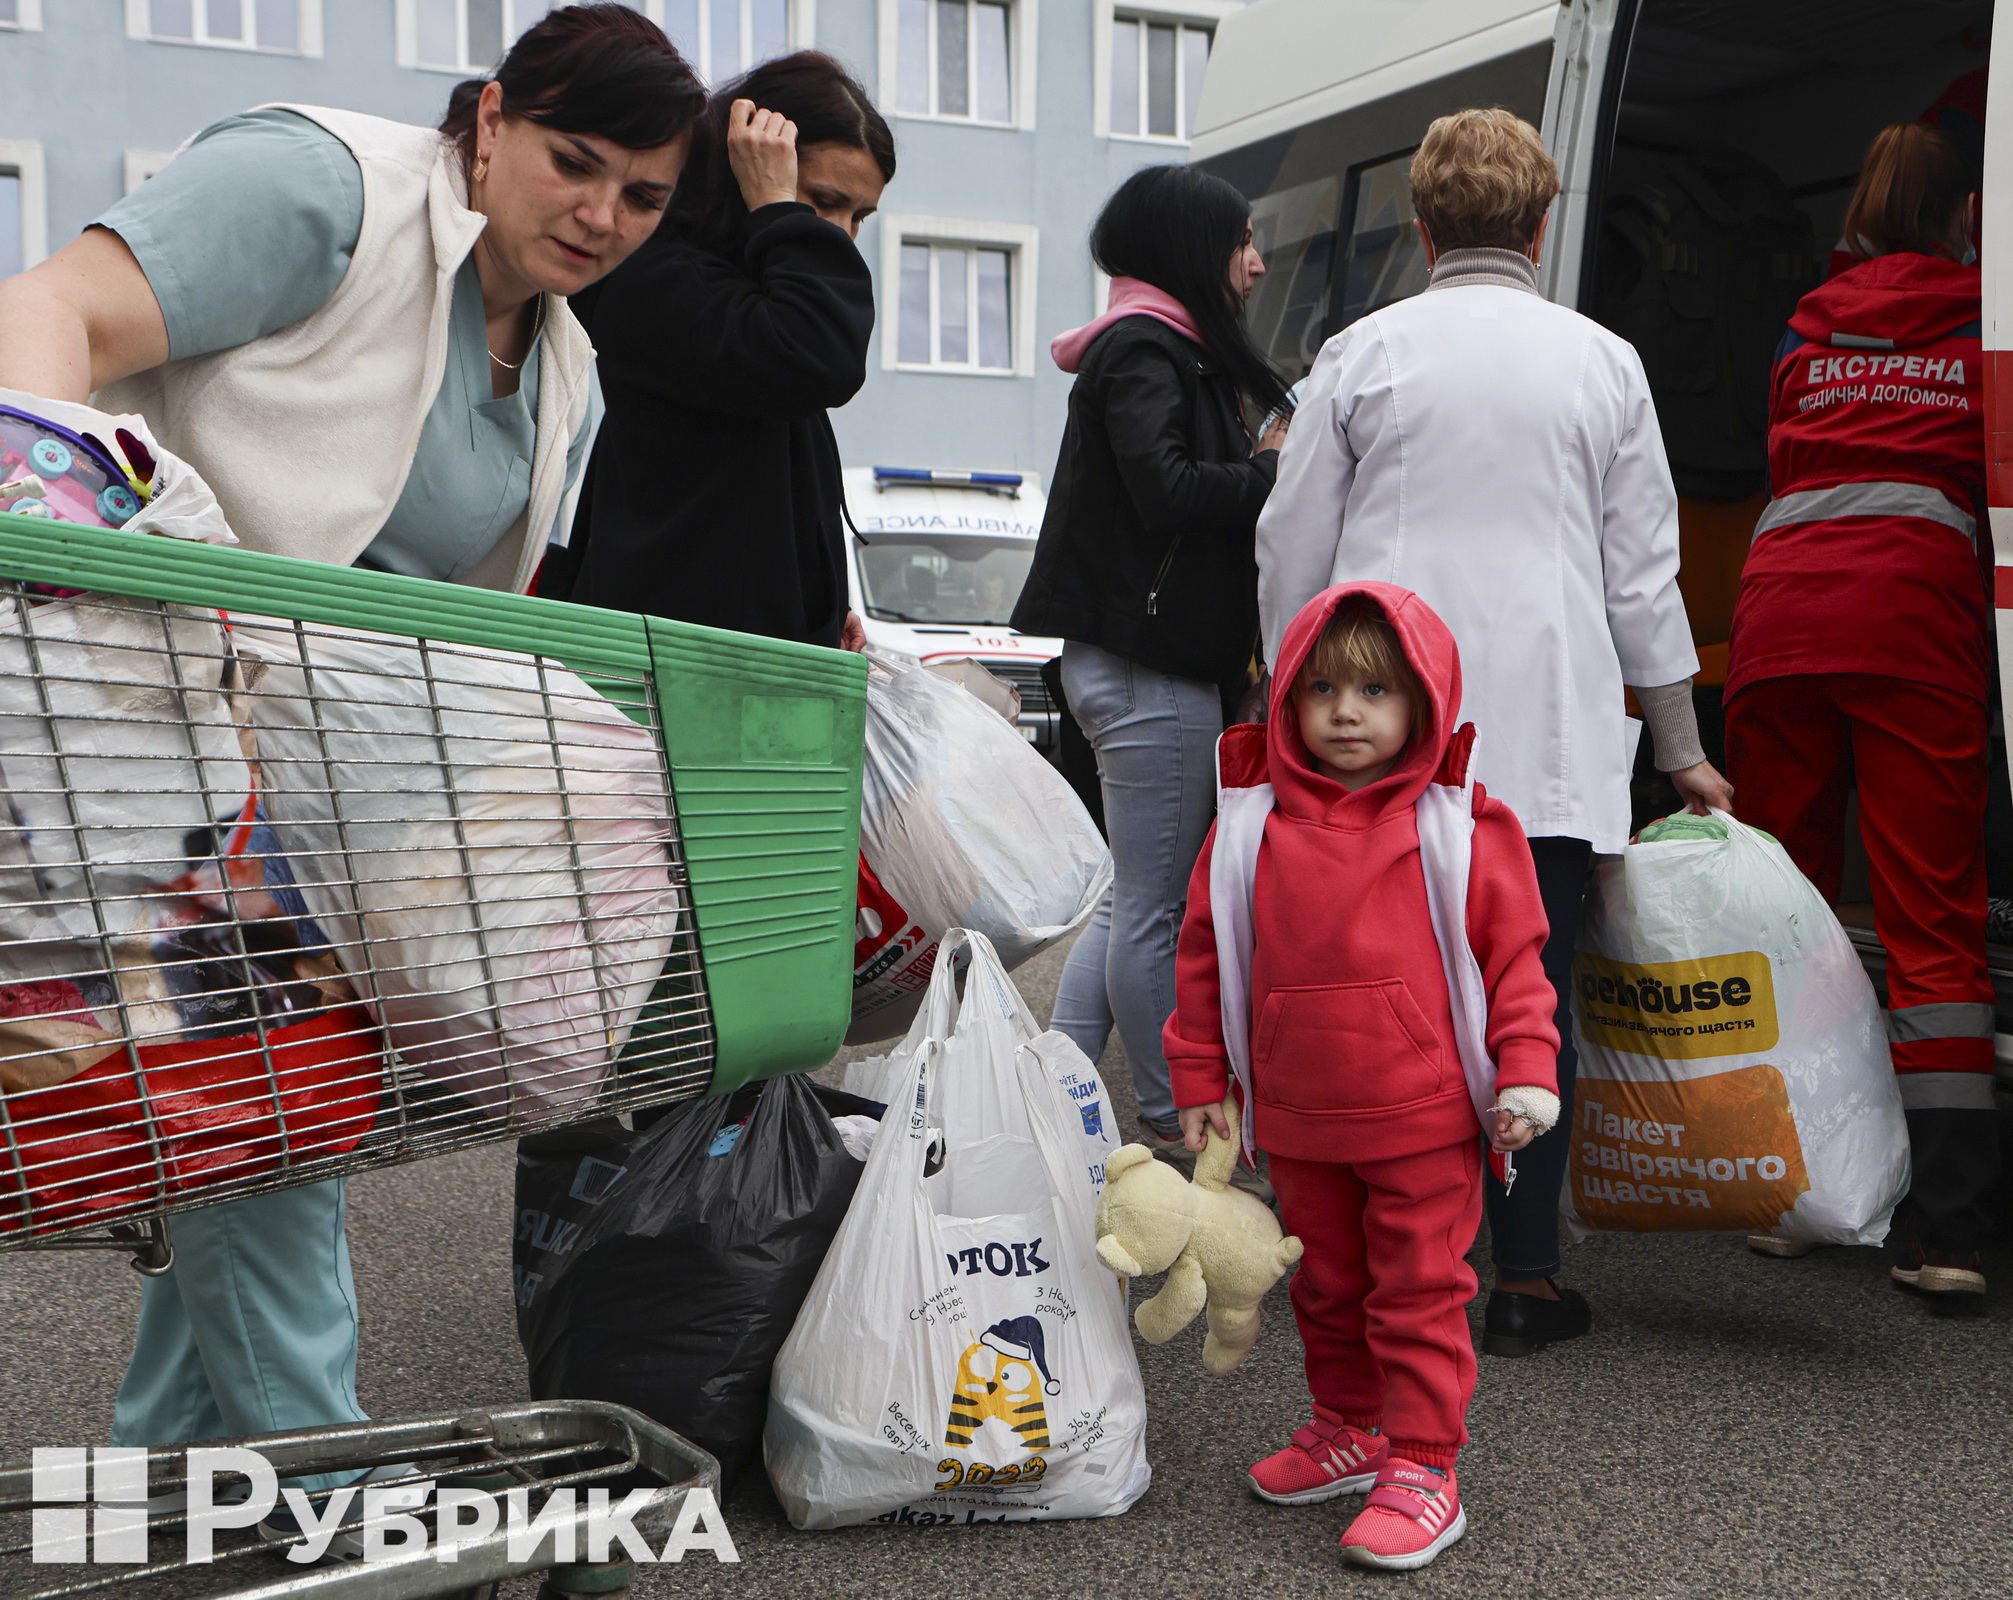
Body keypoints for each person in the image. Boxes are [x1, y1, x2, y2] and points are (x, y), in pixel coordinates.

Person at [0, 4, 703, 1532]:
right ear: (492, 119)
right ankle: (327, 1479)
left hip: (303, 793)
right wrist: (73, 576)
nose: (599, 215)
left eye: (642, 196)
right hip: (131, 730)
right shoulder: (325, 191)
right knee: (263, 1107)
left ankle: (151, 1482)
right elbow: (43, 314)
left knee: (253, 1110)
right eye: (573, 164)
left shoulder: (561, 363)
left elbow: (461, 629)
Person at [1255, 109, 1733, 1357]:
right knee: (1532, 1002)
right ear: (1540, 224)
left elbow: (1291, 548)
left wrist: (1290, 704)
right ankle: (1523, 1278)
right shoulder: (1604, 362)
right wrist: (1681, 745)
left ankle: (1398, 1261)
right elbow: (1644, 576)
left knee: (1389, 993)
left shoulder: (1357, 353)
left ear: (1420, 228)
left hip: (1386, 736)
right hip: (1554, 752)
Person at [1163, 583, 1558, 1571]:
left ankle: (1425, 1464)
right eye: (1324, 686)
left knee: (1418, 1293)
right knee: (1328, 1290)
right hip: (1298, 1121)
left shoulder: (1462, 825)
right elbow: (1205, 960)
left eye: (1377, 689)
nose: (1346, 710)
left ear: (1423, 703)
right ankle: (1351, 1428)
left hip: (1424, 1121)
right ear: (1286, 698)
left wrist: (1527, 1072)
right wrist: (1202, 1080)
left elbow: (1515, 959)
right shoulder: (1249, 827)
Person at [1725, 122, 1996, 1307]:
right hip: (1910, 629)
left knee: (1787, 913)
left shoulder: (1806, 325)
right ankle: (1945, 1230)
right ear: (1966, 212)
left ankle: (1793, 1194)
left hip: (1782, 621)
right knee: (1932, 928)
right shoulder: (1983, 320)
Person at [1011, 165, 1289, 1156]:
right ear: (1190, 248)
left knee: (1135, 899)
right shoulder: (1144, 352)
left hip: (1146, 662)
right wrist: (1268, 472)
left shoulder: (1160, 349)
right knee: (1156, 914)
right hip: (1147, 664)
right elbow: (1165, 489)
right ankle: (1175, 1127)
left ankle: (1058, 1091)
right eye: (1241, 241)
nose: (1256, 263)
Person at [554, 51, 893, 650]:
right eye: (822, 200)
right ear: (750, 169)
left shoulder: (764, 296)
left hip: (736, 667)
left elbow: (765, 472)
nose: (839, 235)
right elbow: (823, 358)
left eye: (859, 215)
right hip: (677, 672)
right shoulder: (655, 279)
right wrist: (780, 209)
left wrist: (818, 599)